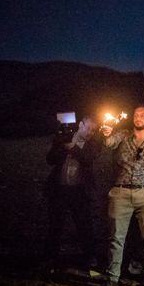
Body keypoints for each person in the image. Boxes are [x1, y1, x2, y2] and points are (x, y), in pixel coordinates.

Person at [100, 105, 144, 286]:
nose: (138, 117)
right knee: (116, 238)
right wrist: (106, 133)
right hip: (120, 193)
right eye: (136, 114)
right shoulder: (122, 136)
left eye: (143, 115)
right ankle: (112, 278)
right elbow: (109, 143)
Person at [44, 114, 101, 268]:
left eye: (93, 130)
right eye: (88, 128)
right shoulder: (62, 137)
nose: (90, 132)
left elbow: (88, 159)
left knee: (85, 225)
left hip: (80, 191)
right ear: (80, 125)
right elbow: (50, 160)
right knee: (55, 225)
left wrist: (73, 148)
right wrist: (63, 146)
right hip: (59, 189)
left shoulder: (93, 143)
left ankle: (90, 256)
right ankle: (51, 257)